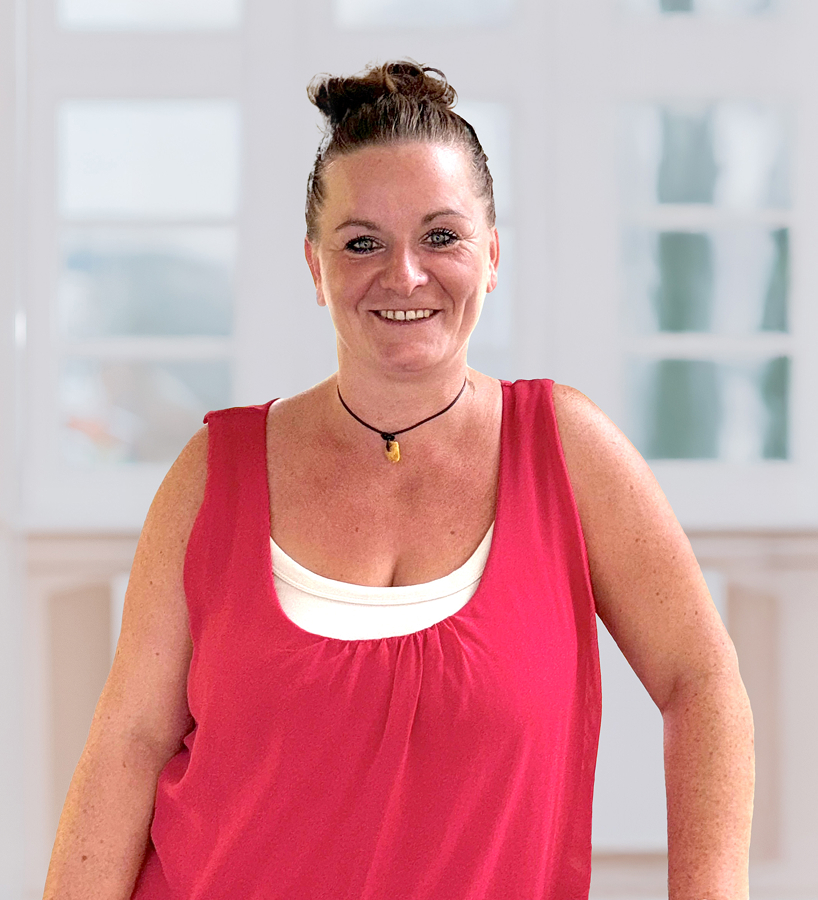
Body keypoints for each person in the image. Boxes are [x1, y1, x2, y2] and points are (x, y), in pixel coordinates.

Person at [42, 61, 754, 900]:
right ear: (316, 267)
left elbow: (701, 684)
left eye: (441, 236)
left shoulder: (568, 453)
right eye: (362, 242)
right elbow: (129, 742)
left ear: (492, 256)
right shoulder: (214, 473)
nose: (404, 275)